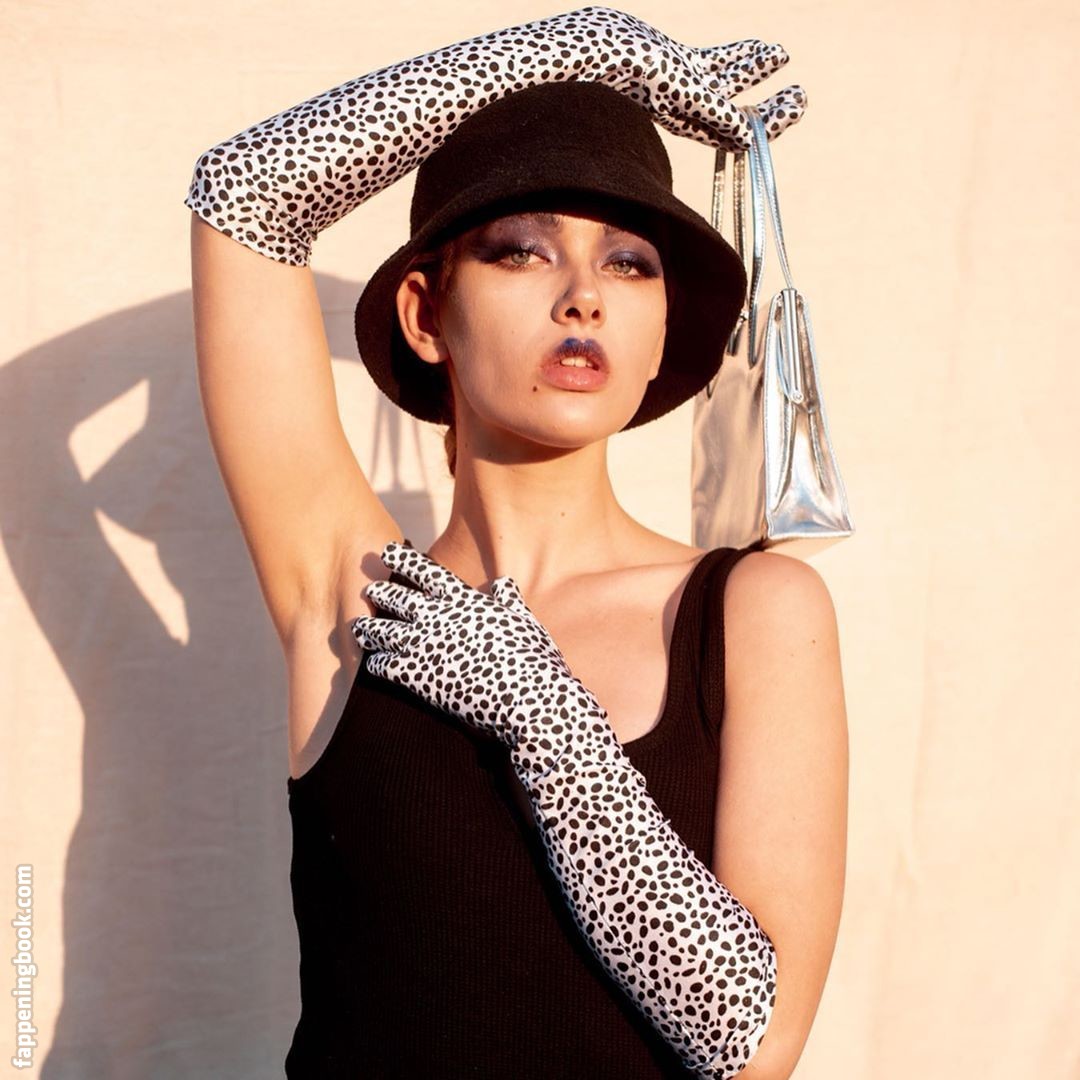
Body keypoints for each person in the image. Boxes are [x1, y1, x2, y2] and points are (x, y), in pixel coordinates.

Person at [184, 8, 847, 1079]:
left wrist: (546, 719)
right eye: (522, 251)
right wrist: (592, 46)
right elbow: (244, 194)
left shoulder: (751, 610)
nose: (583, 296)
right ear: (424, 315)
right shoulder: (355, 595)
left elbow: (754, 1045)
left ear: (663, 334)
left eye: (629, 264)